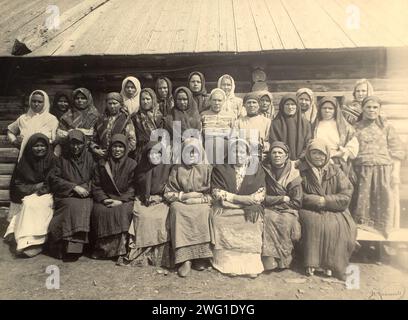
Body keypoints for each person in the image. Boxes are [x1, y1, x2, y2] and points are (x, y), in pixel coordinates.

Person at [298, 139, 356, 280]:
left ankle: (331, 265)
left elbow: (346, 194)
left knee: (338, 226)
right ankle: (312, 263)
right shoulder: (301, 170)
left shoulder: (336, 171)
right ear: (308, 154)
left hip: (334, 208)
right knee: (313, 224)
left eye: (322, 154)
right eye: (314, 153)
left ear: (327, 155)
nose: (318, 157)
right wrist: (315, 200)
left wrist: (326, 201)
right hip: (309, 208)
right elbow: (297, 194)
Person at [210, 139, 265, 278]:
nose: (238, 155)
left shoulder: (256, 169)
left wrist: (239, 204)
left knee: (253, 222)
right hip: (227, 207)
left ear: (247, 155)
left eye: (242, 152)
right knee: (219, 220)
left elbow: (261, 193)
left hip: (248, 208)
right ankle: (228, 264)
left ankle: (250, 265)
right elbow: (216, 192)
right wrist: (240, 200)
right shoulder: (220, 168)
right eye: (234, 151)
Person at [352, 96, 405, 237]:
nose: (372, 110)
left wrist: (395, 172)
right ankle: (362, 240)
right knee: (361, 205)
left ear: (380, 109)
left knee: (383, 202)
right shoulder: (355, 128)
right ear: (362, 108)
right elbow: (350, 149)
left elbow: (397, 150)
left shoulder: (387, 127)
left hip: (383, 171)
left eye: (375, 107)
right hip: (361, 171)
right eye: (368, 107)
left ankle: (384, 239)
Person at [164, 138, 213, 277]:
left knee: (204, 212)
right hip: (181, 203)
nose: (191, 155)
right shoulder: (177, 169)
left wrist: (198, 199)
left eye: (194, 152)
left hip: (201, 203)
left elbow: (214, 194)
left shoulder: (208, 169)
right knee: (177, 211)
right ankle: (185, 259)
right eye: (188, 152)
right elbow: (167, 193)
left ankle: (200, 257)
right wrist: (184, 196)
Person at [4, 134, 56, 257]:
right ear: (30, 147)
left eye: (42, 145)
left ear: (47, 147)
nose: (39, 148)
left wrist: (41, 189)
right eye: (36, 146)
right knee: (28, 203)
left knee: (34, 204)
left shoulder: (53, 160)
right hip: (29, 193)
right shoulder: (24, 162)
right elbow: (18, 184)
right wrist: (35, 187)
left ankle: (35, 242)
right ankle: (25, 241)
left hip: (49, 193)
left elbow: (55, 180)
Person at [48, 130, 96, 260]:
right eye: (73, 144)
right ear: (68, 144)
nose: (76, 147)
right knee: (70, 206)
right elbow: (54, 178)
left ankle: (76, 248)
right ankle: (64, 246)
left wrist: (85, 188)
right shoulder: (62, 159)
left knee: (84, 206)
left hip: (86, 194)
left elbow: (96, 177)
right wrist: (73, 187)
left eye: (79, 144)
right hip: (67, 195)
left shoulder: (90, 158)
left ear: (84, 144)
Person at [125, 141, 173, 267]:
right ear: (146, 155)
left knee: (161, 217)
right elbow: (135, 186)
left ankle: (158, 256)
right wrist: (144, 197)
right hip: (143, 200)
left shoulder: (168, 167)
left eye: (158, 154)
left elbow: (171, 186)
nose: (154, 157)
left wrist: (160, 197)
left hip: (162, 200)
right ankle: (142, 254)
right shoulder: (141, 168)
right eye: (151, 154)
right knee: (142, 216)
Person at [91, 134, 137, 259]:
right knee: (99, 211)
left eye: (121, 147)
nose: (117, 150)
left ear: (126, 148)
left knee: (123, 211)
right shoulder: (101, 164)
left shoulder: (132, 165)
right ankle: (103, 250)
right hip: (106, 199)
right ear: (110, 148)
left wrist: (121, 201)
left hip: (124, 200)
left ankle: (120, 250)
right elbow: (96, 185)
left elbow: (133, 187)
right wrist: (104, 199)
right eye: (115, 146)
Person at [261, 141, 302, 270]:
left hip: (288, 210)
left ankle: (284, 258)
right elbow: (261, 197)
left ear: (286, 155)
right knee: (267, 218)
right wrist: (281, 198)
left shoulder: (293, 174)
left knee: (286, 221)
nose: (277, 155)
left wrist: (277, 202)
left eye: (280, 153)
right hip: (269, 208)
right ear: (270, 155)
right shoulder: (264, 171)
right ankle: (269, 257)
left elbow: (296, 201)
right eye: (274, 152)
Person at [312, 96, 359, 182]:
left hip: (338, 162)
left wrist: (340, 153)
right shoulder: (314, 125)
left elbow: (352, 146)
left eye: (330, 108)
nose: (327, 111)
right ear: (320, 109)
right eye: (324, 108)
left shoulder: (345, 126)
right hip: (317, 161)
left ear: (335, 110)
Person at [7, 90, 58, 160]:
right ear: (30, 102)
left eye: (40, 102)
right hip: (26, 157)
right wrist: (15, 142)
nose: (36, 104)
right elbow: (10, 131)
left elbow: (56, 140)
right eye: (34, 101)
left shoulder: (52, 119)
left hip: (46, 158)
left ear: (45, 103)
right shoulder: (23, 118)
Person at [91, 92, 136, 159]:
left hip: (120, 156)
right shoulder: (101, 119)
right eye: (110, 103)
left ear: (120, 104)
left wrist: (121, 152)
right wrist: (96, 150)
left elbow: (132, 141)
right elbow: (94, 138)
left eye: (115, 103)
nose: (112, 106)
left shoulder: (126, 120)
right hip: (103, 156)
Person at [269, 94, 312, 161]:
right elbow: (274, 143)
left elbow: (308, 143)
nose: (290, 107)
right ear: (282, 106)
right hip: (281, 162)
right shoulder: (275, 123)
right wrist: (285, 159)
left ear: (297, 106)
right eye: (287, 104)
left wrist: (300, 159)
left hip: (302, 161)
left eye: (293, 104)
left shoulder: (305, 123)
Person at [201, 88, 235, 164]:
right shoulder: (203, 115)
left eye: (219, 100)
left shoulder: (230, 115)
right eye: (214, 100)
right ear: (210, 101)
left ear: (224, 101)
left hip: (225, 153)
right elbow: (200, 135)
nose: (217, 103)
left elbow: (233, 135)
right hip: (207, 152)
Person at [234, 92, 271, 159]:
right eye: (249, 102)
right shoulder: (238, 122)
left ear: (259, 104)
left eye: (254, 102)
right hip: (243, 156)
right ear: (244, 105)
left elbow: (267, 140)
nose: (251, 105)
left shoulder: (266, 121)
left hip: (261, 156)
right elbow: (236, 141)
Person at [132, 88, 164, 162]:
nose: (145, 102)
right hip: (140, 151)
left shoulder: (159, 117)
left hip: (157, 150)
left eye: (148, 99)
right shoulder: (135, 117)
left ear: (153, 100)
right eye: (143, 99)